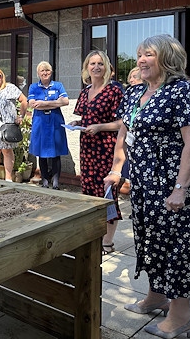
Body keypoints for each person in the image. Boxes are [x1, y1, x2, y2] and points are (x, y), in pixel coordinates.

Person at [106, 35, 190, 339]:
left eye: (148, 54)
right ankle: (156, 297)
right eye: (139, 54)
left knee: (174, 247)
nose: (140, 59)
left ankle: (181, 317)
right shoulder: (137, 91)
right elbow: (125, 133)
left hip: (171, 185)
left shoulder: (182, 91)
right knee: (149, 241)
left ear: (167, 58)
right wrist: (117, 170)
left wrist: (181, 188)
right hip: (143, 185)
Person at [70, 51, 123, 254]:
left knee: (107, 193)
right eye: (92, 63)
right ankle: (94, 235)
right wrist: (77, 123)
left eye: (100, 63)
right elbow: (85, 117)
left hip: (106, 149)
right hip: (87, 150)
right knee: (89, 192)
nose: (96, 67)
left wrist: (100, 127)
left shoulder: (114, 91)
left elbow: (122, 124)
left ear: (107, 67)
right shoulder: (85, 92)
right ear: (87, 68)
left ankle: (107, 241)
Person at [28, 61, 69, 189]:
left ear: (51, 72)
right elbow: (32, 104)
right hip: (40, 122)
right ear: (38, 73)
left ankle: (56, 181)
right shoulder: (33, 87)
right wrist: (55, 102)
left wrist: (44, 103)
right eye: (42, 71)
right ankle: (45, 180)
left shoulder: (58, 85)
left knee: (56, 151)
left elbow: (66, 101)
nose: (45, 73)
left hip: (55, 121)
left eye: (47, 71)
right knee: (41, 151)